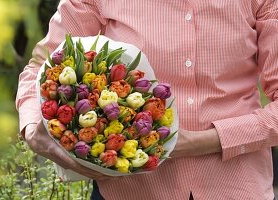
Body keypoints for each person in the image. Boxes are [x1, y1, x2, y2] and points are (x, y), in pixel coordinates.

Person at [16, 0, 278, 199]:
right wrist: (32, 130)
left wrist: (203, 141)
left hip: (237, 187)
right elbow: (42, 64)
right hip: (129, 191)